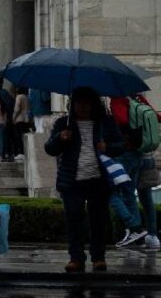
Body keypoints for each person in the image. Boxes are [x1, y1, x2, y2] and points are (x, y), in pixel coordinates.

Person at [45, 87, 125, 272]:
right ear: (72, 105)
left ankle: (98, 257)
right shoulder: (63, 123)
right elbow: (50, 149)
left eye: (86, 103)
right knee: (74, 218)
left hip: (99, 179)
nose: (82, 107)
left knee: (98, 220)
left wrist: (108, 146)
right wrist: (60, 138)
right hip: (72, 180)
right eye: (78, 103)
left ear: (94, 104)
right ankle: (76, 258)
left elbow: (121, 145)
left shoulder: (105, 123)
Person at [107, 96, 146, 248]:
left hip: (125, 152)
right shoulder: (138, 98)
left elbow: (122, 121)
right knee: (129, 194)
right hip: (138, 151)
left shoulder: (118, 100)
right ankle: (138, 237)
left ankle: (135, 227)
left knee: (111, 192)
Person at [137, 148, 161, 250]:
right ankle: (152, 236)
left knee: (126, 195)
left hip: (135, 157)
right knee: (147, 200)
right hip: (149, 158)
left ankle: (135, 231)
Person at [12, 88, 31, 160]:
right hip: (26, 119)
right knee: (25, 136)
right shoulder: (26, 97)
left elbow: (17, 109)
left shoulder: (19, 97)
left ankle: (21, 152)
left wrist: (13, 117)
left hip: (19, 119)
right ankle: (26, 151)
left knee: (18, 137)